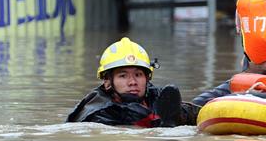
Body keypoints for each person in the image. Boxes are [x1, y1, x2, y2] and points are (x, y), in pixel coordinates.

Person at [67, 37, 198, 127]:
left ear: (147, 78)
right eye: (123, 76)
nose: (132, 82)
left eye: (138, 74)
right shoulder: (98, 114)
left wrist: (179, 117)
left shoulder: (157, 97)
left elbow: (196, 115)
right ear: (107, 81)